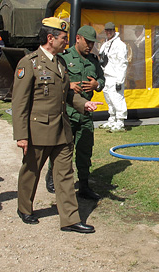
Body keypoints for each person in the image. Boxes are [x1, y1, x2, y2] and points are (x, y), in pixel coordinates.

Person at [12, 17, 102, 233]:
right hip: (38, 130)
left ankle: (70, 219)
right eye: (63, 38)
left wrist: (84, 104)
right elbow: (19, 102)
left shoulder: (60, 63)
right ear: (50, 38)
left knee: (64, 175)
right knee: (31, 171)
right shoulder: (29, 63)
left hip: (62, 130)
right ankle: (24, 208)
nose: (66, 42)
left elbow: (67, 95)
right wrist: (22, 135)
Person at [45, 25, 105, 200]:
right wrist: (67, 85)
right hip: (67, 113)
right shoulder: (63, 58)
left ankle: (84, 185)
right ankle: (52, 177)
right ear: (78, 38)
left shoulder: (93, 60)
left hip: (86, 115)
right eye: (87, 42)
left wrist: (97, 85)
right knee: (62, 150)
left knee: (85, 150)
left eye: (93, 43)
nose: (90, 46)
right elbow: (54, 79)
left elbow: (102, 78)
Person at [98, 22, 128, 132]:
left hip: (115, 77)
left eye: (110, 30)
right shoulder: (106, 44)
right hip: (106, 75)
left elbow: (123, 63)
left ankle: (120, 122)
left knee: (117, 98)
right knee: (109, 99)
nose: (108, 32)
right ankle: (112, 119)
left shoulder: (120, 45)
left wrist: (120, 80)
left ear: (114, 31)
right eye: (107, 30)